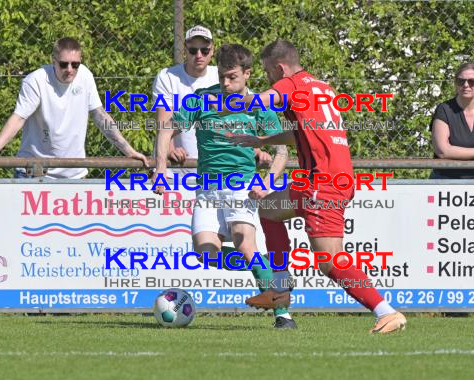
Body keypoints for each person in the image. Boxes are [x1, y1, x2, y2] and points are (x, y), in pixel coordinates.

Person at [226, 40, 406, 334]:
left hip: (322, 184)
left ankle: (386, 312)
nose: (269, 79)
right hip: (327, 180)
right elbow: (301, 135)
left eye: (269, 72)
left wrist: (230, 100)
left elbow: (259, 102)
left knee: (330, 262)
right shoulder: (322, 89)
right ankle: (279, 291)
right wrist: (261, 142)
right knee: (270, 209)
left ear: (280, 68)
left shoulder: (291, 84)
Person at [153, 43, 295, 329]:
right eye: (222, 78)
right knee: (205, 254)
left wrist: (267, 182)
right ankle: (269, 272)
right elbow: (167, 128)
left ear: (248, 74)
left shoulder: (259, 106)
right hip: (207, 189)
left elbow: (282, 151)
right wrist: (160, 169)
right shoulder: (201, 100)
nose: (226, 83)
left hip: (240, 186)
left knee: (245, 242)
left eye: (232, 77)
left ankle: (282, 314)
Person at [0, 37, 148, 178]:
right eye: (64, 64)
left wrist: (129, 151)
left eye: (75, 64)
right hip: (35, 172)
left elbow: (100, 116)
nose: (70, 69)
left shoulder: (85, 76)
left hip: (74, 173)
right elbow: (19, 117)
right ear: (53, 61)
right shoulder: (36, 80)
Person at [152, 25, 271, 175]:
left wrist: (256, 149)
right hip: (175, 169)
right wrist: (169, 152)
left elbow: (242, 117)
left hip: (219, 170)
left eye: (205, 50)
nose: (199, 55)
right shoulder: (167, 76)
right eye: (193, 50)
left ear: (212, 50)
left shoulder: (223, 74)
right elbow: (164, 124)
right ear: (185, 51)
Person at [430, 62, 474, 179]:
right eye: (461, 81)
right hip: (446, 180)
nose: (466, 85)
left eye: (472, 81)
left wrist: (455, 152)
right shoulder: (444, 110)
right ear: (455, 84)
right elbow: (443, 151)